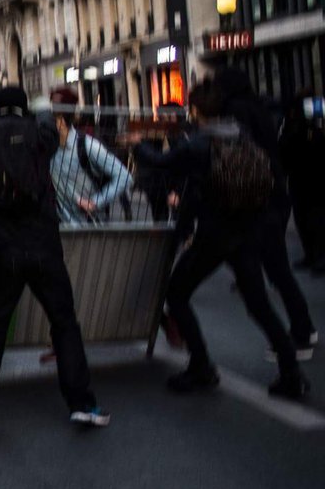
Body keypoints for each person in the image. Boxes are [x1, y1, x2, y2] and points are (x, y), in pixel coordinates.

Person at [0, 87, 109, 436]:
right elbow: (49, 118)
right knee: (64, 323)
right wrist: (38, 114)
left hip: (3, 249)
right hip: (44, 245)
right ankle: (81, 403)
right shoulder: (42, 135)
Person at [128, 81, 309, 399]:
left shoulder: (199, 144)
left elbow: (160, 164)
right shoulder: (240, 134)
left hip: (215, 233)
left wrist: (137, 144)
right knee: (259, 303)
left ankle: (201, 366)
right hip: (247, 229)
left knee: (177, 293)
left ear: (196, 110)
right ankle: (292, 373)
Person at [214, 67, 316, 358]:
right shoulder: (256, 107)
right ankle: (301, 329)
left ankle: (298, 335)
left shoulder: (236, 111)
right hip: (272, 193)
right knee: (277, 269)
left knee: (272, 271)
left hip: (258, 197)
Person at [48, 87, 132, 224]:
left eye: (52, 116)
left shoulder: (88, 146)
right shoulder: (48, 148)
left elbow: (124, 176)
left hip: (90, 228)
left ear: (61, 121)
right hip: (61, 230)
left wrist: (95, 202)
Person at [281, 91, 325, 274]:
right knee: (305, 220)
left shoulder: (307, 131)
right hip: (302, 180)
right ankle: (312, 255)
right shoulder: (295, 128)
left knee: (314, 220)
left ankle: (318, 257)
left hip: (310, 180)